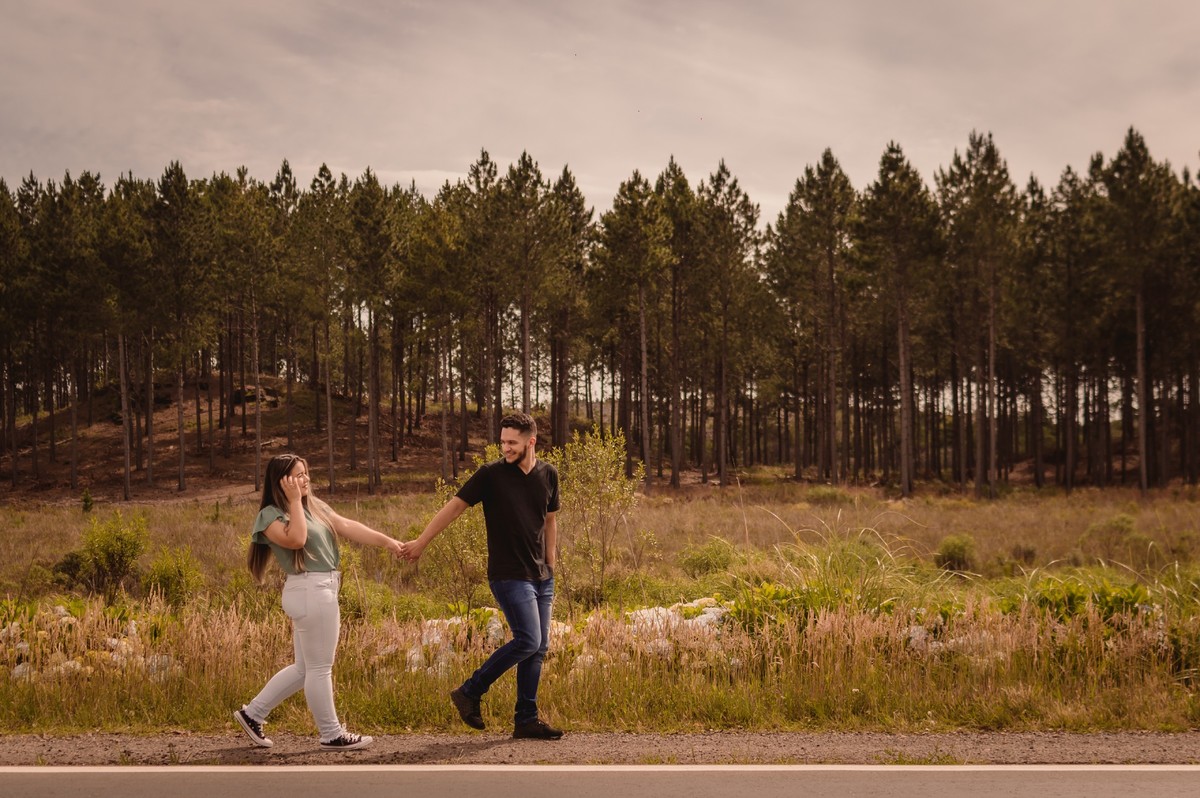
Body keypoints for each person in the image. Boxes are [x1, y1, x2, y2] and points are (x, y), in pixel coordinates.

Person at [402, 412, 563, 740]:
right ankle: (470, 691)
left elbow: (550, 520)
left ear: (531, 442)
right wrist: (421, 542)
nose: (505, 447)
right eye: (502, 441)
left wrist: (551, 564)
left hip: (540, 575)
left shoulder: (548, 474)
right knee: (528, 639)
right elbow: (454, 507)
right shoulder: (491, 475)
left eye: (512, 442)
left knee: (539, 647)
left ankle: (526, 719)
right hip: (508, 574)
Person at [234, 453, 403, 751]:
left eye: (306, 473)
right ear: (281, 481)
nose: (305, 479)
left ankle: (253, 714)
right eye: (297, 475)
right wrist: (295, 501)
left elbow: (347, 525)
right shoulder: (270, 515)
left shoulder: (315, 506)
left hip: (320, 588)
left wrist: (389, 542)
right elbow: (297, 540)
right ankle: (331, 733)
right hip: (310, 589)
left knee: (304, 669)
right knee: (321, 667)